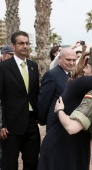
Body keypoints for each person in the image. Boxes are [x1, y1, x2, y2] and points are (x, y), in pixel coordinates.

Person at [37, 48, 92, 170]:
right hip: (60, 144)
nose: (83, 69)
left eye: (87, 67)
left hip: (78, 144)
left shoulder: (91, 89)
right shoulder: (78, 83)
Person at [0, 31, 40, 170]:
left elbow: (35, 93)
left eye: (27, 43)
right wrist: (2, 124)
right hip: (10, 126)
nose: (25, 46)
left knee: (32, 161)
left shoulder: (34, 66)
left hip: (31, 123)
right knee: (9, 164)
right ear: (13, 45)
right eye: (21, 43)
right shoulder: (3, 67)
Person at [38, 47, 77, 132]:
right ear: (59, 59)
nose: (72, 63)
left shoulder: (74, 75)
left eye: (74, 60)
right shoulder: (51, 75)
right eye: (68, 60)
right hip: (55, 124)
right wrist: (43, 120)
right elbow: (43, 101)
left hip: (70, 123)